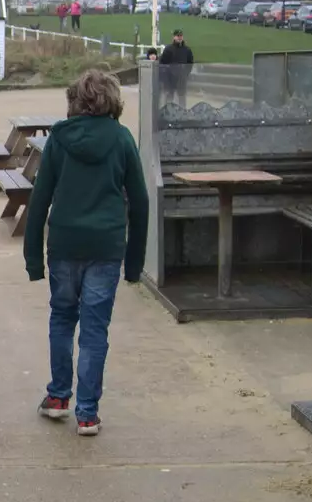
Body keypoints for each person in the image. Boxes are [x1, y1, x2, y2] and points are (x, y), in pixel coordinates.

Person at [23, 69, 149, 437]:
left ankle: (59, 396)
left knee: (62, 318)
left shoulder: (59, 141)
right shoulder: (122, 139)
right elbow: (139, 203)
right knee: (95, 329)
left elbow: (40, 199)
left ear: (74, 101)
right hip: (106, 247)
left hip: (64, 244)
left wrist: (33, 258)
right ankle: (88, 414)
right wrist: (135, 263)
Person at [157, 28, 194, 104]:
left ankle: (182, 113)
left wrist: (185, 74)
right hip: (170, 79)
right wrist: (165, 78)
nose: (180, 37)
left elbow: (190, 63)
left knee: (182, 98)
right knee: (169, 97)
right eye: (178, 36)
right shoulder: (168, 49)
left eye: (181, 36)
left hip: (181, 79)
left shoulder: (187, 50)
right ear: (174, 37)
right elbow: (162, 64)